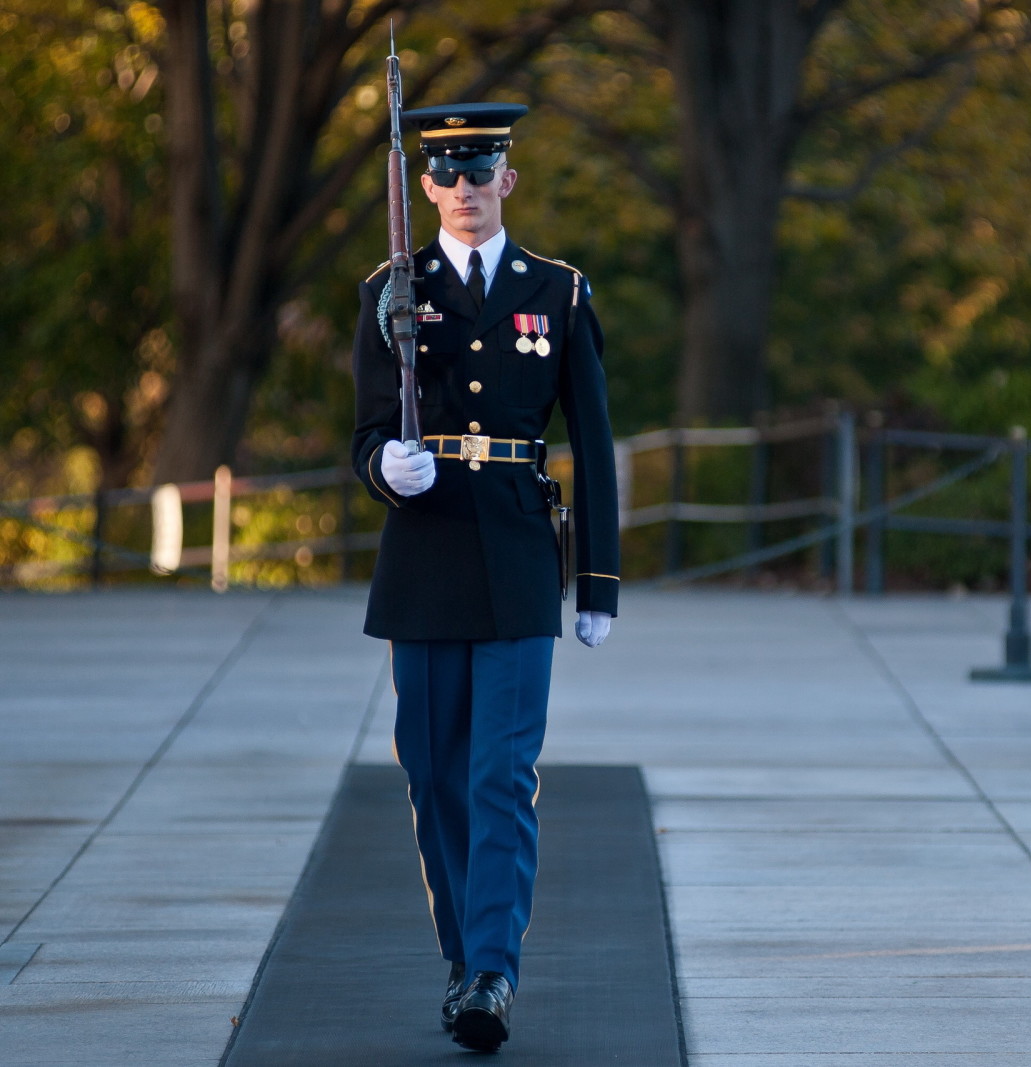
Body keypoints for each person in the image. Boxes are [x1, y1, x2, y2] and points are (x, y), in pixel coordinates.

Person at [349, 100, 619, 1053]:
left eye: (483, 170)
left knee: (502, 774)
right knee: (434, 775)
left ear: (509, 178)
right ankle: (466, 959)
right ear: (425, 185)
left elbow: (592, 438)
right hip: (422, 556)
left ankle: (494, 974)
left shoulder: (558, 291)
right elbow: (367, 430)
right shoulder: (392, 289)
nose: (465, 189)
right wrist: (387, 466)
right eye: (449, 174)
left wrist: (598, 584)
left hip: (512, 554)